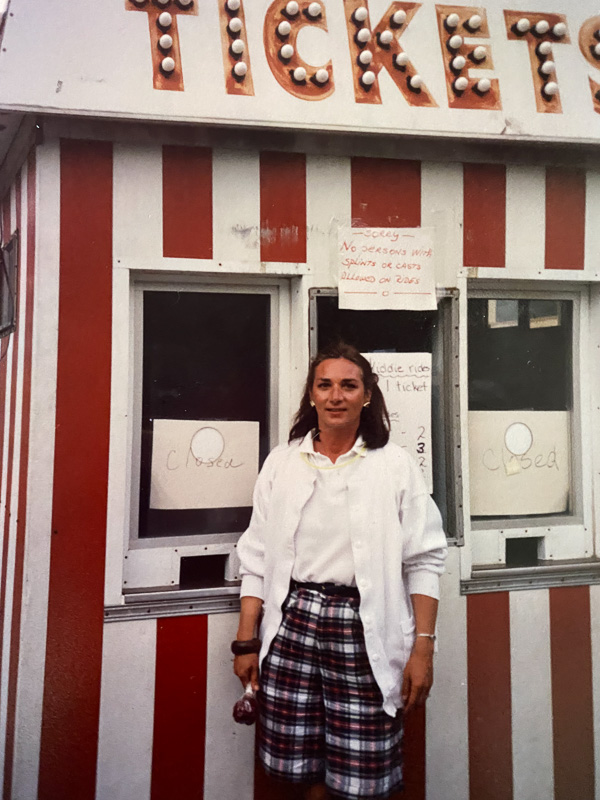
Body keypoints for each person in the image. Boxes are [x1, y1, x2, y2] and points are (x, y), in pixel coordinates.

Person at [232, 342, 447, 800]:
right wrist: (247, 641)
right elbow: (254, 558)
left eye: (349, 386)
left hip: (363, 630)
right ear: (311, 395)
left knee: (359, 776)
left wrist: (422, 651)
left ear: (367, 395)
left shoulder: (395, 467)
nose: (336, 396)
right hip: (293, 625)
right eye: (324, 385)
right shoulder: (282, 463)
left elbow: (424, 560)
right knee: (303, 768)